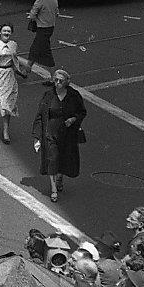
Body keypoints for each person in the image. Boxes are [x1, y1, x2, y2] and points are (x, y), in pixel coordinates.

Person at [36, 68, 88, 202]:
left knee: (64, 158)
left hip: (67, 134)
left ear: (66, 82)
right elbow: (40, 115)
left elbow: (82, 112)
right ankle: (53, 190)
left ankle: (59, 177)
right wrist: (37, 136)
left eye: (61, 81)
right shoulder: (48, 95)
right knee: (52, 160)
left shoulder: (74, 95)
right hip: (50, 132)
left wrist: (73, 119)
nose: (57, 83)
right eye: (56, 80)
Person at [27, 0, 60, 70]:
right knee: (42, 47)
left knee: (36, 48)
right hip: (50, 27)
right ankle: (28, 68)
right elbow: (57, 13)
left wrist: (37, 19)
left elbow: (32, 15)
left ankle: (27, 68)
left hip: (42, 28)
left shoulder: (40, 0)